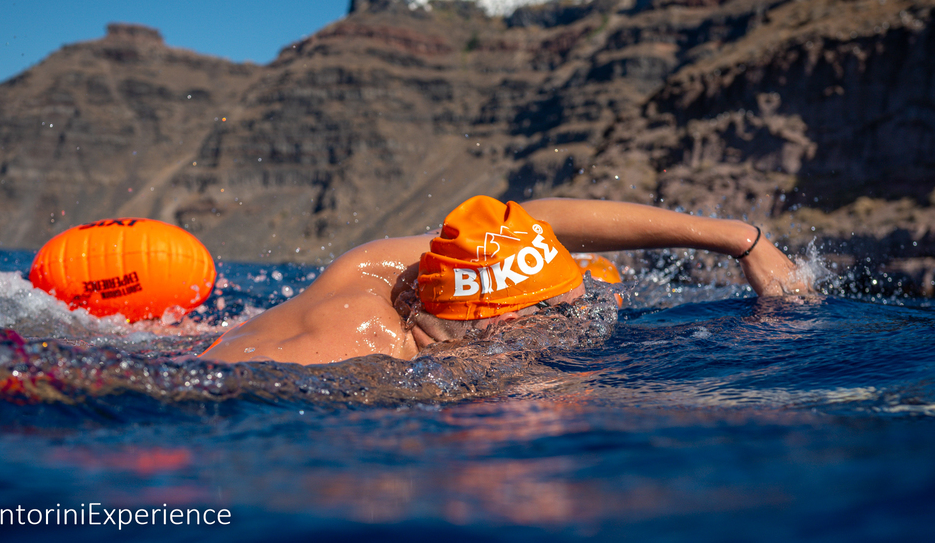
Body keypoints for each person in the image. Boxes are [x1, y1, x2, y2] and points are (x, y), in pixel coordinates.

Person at [200, 196, 811, 365]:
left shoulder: (402, 264)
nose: (581, 321)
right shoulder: (355, 352)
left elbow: (531, 219)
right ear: (504, 321)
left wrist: (739, 239)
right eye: (564, 314)